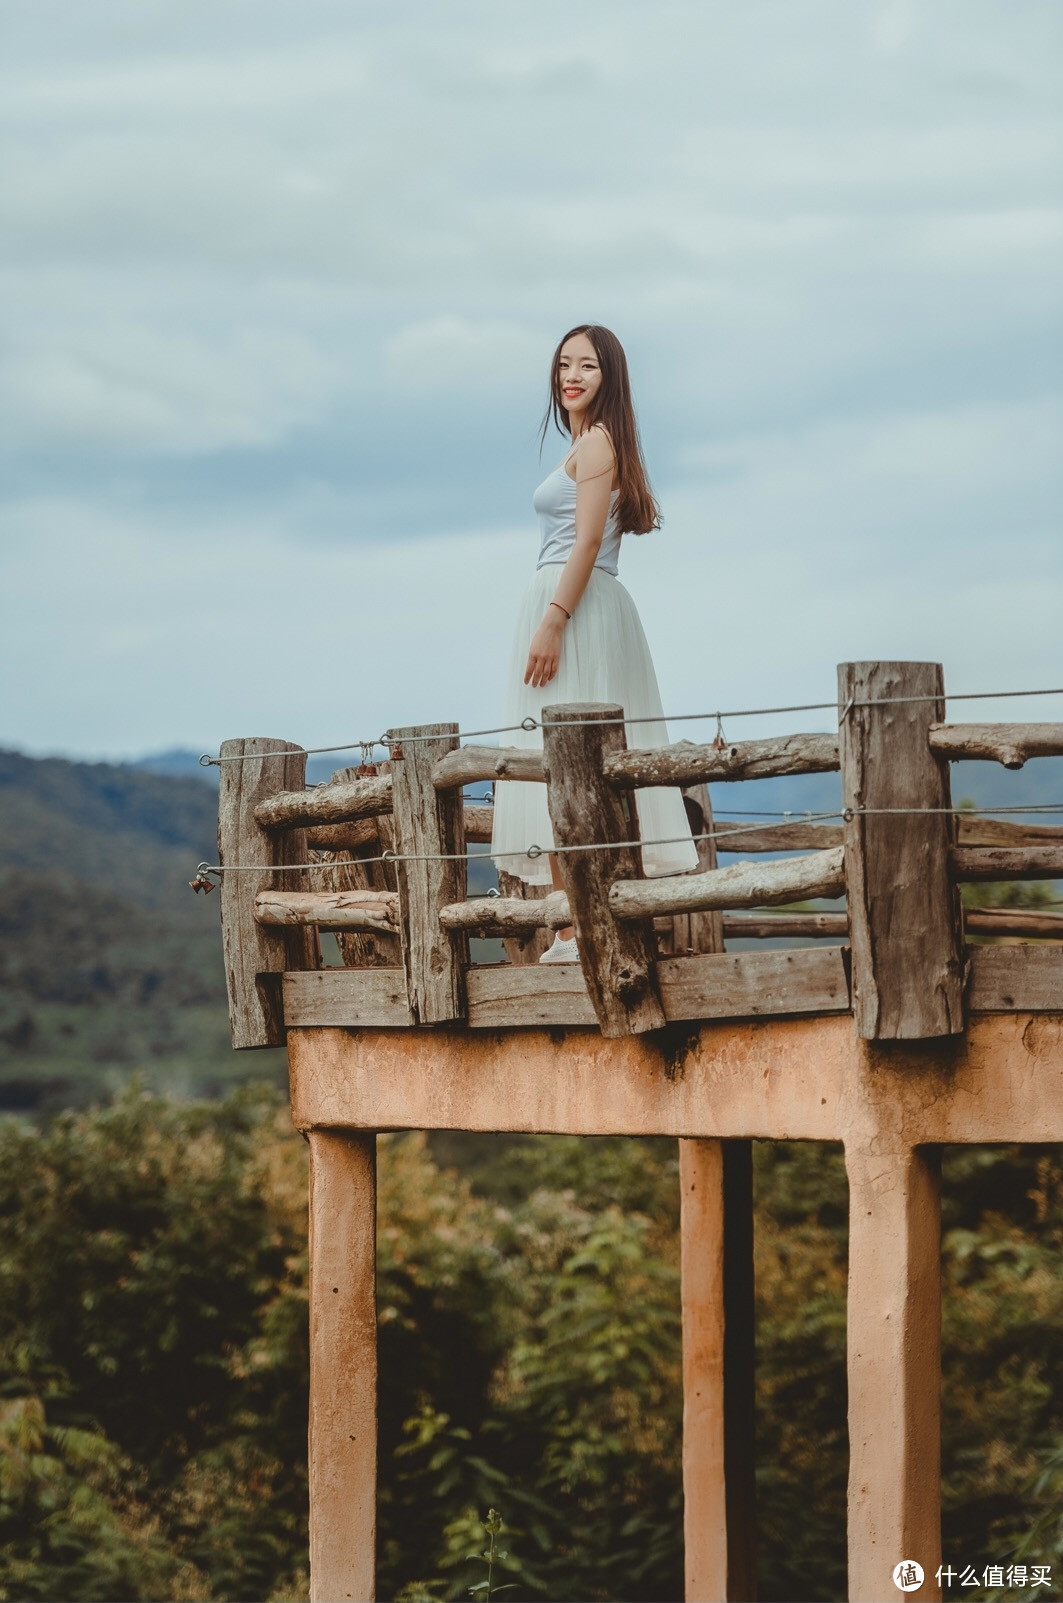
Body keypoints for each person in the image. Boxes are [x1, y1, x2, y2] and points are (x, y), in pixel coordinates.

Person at [490, 323, 698, 963]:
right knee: (556, 758)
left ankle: (583, 927)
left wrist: (554, 617)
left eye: (587, 366)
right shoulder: (585, 445)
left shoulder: (600, 444)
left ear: (610, 377)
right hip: (575, 601)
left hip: (576, 605)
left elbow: (584, 544)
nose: (571, 376)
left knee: (570, 757)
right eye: (563, 366)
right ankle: (571, 926)